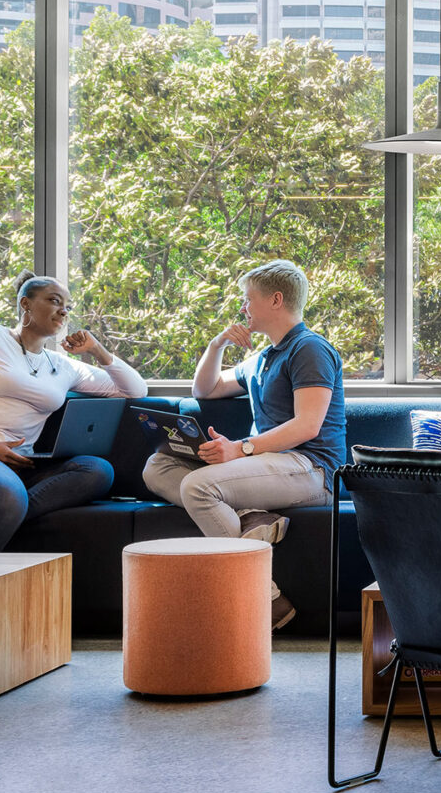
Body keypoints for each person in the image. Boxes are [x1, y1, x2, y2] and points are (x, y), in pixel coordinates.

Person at [0, 273, 147, 650]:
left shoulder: (62, 366)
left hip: (16, 466)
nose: (64, 310)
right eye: (54, 300)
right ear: (25, 304)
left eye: (67, 305)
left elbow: (134, 389)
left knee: (97, 470)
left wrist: (98, 351)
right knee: (6, 496)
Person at [143, 260, 345, 631]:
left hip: (311, 470)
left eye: (247, 299)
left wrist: (240, 449)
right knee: (157, 467)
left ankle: (264, 598)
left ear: (276, 300)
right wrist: (217, 343)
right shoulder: (264, 357)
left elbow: (308, 425)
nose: (243, 308)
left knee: (198, 486)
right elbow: (206, 389)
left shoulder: (309, 349)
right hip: (269, 468)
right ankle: (252, 516)